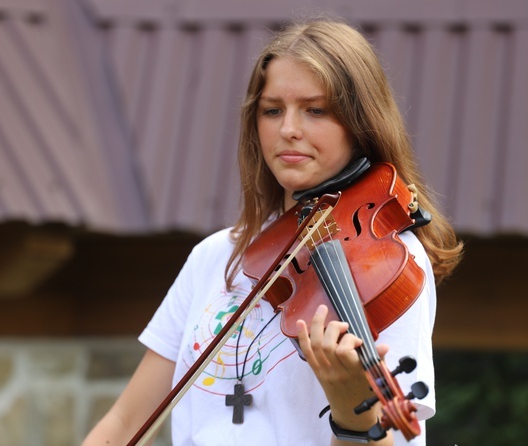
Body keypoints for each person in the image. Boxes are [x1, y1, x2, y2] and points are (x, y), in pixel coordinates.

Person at [82, 18, 462, 446]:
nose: (288, 130)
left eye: (315, 110)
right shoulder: (215, 257)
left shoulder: (392, 262)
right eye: (272, 110)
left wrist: (350, 411)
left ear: (360, 126)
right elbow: (124, 422)